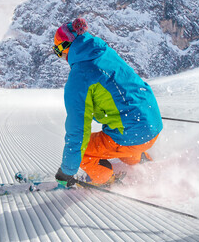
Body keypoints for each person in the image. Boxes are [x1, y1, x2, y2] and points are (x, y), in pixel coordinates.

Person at [53, 18, 163, 187]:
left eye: (58, 52)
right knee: (119, 138)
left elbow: (78, 131)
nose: (61, 58)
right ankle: (141, 159)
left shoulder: (79, 75)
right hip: (153, 124)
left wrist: (67, 171)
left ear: (66, 47)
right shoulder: (106, 53)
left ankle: (105, 179)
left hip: (132, 134)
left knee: (85, 151)